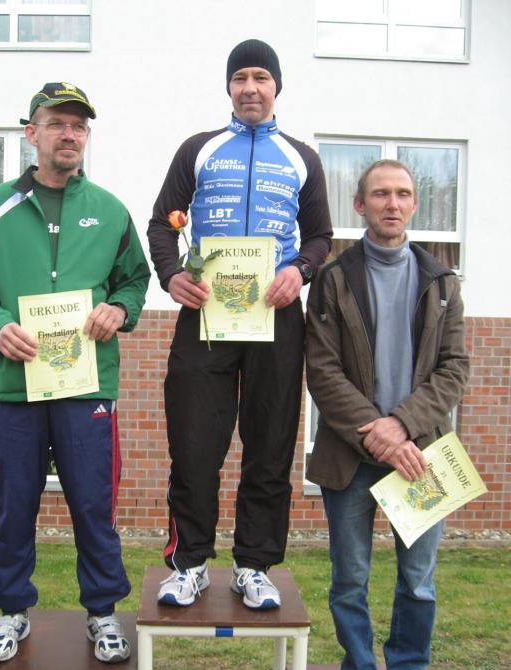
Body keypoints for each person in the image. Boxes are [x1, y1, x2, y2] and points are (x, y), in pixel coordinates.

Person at [0, 82, 150, 663]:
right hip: (14, 388)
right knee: (14, 506)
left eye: (79, 126)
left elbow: (134, 281)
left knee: (93, 503)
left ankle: (103, 613)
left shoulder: (110, 210)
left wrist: (119, 310)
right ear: (31, 133)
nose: (70, 134)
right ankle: (11, 611)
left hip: (85, 386)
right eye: (57, 123)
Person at [147, 40, 332, 609]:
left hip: (277, 314)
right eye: (240, 78)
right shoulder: (198, 149)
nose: (250, 87)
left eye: (261, 77)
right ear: (228, 87)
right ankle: (189, 563)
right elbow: (160, 224)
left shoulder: (303, 158)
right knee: (194, 444)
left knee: (271, 445)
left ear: (277, 87)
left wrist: (300, 271)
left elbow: (320, 237)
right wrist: (171, 275)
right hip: (206, 311)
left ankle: (254, 565)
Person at [305, 160, 469, 670]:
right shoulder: (333, 278)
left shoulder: (442, 283)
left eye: (402, 194)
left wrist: (400, 426)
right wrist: (379, 435)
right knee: (349, 579)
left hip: (422, 454)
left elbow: (455, 369)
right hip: (350, 456)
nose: (392, 204)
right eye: (380, 194)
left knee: (418, 582)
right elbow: (323, 370)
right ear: (360, 205)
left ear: (414, 204)